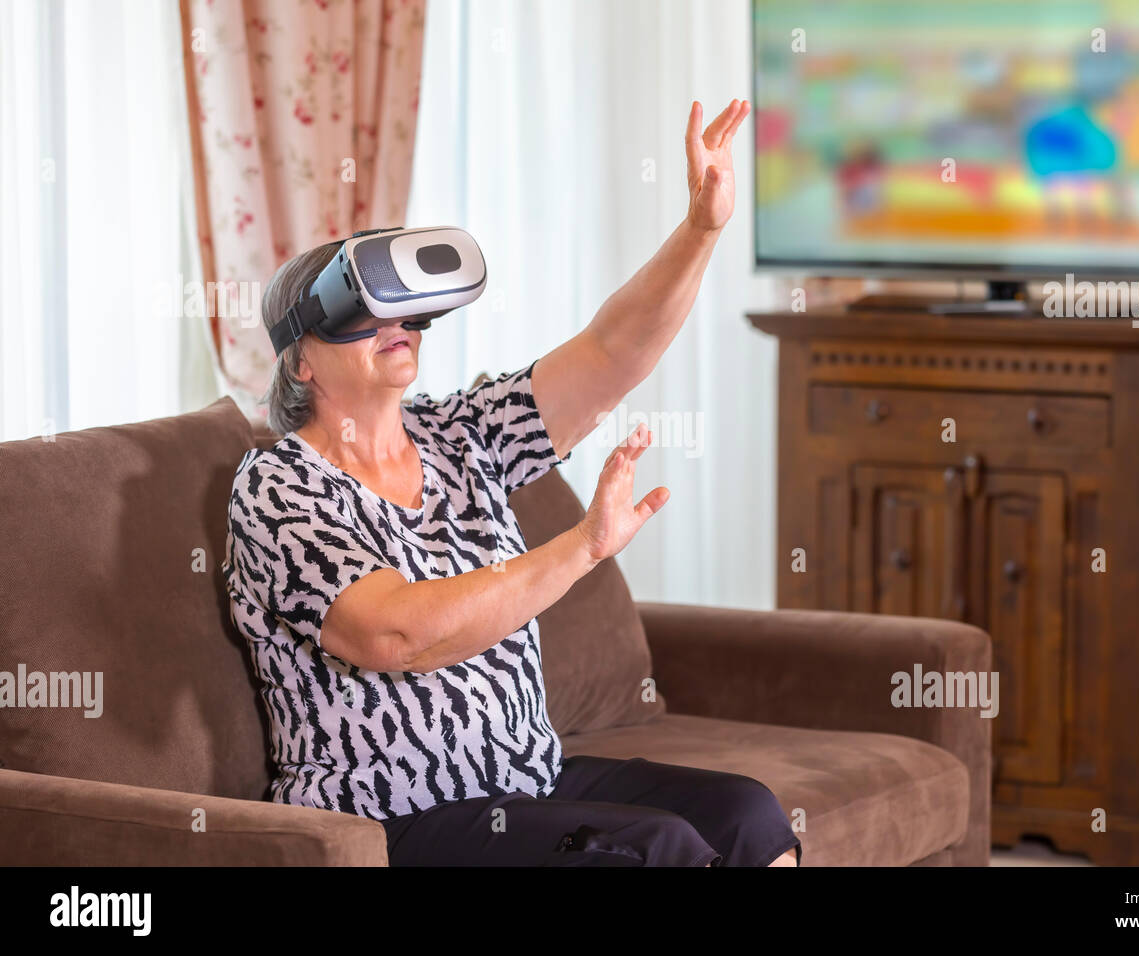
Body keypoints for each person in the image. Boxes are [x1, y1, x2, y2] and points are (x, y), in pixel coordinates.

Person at [223, 99, 799, 866]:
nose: (393, 319)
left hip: (524, 785)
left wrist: (700, 229)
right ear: (300, 360)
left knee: (745, 814)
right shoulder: (279, 488)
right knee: (657, 847)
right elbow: (394, 634)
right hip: (391, 820)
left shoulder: (461, 433)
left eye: (400, 305)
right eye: (357, 309)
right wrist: (584, 547)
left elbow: (609, 354)